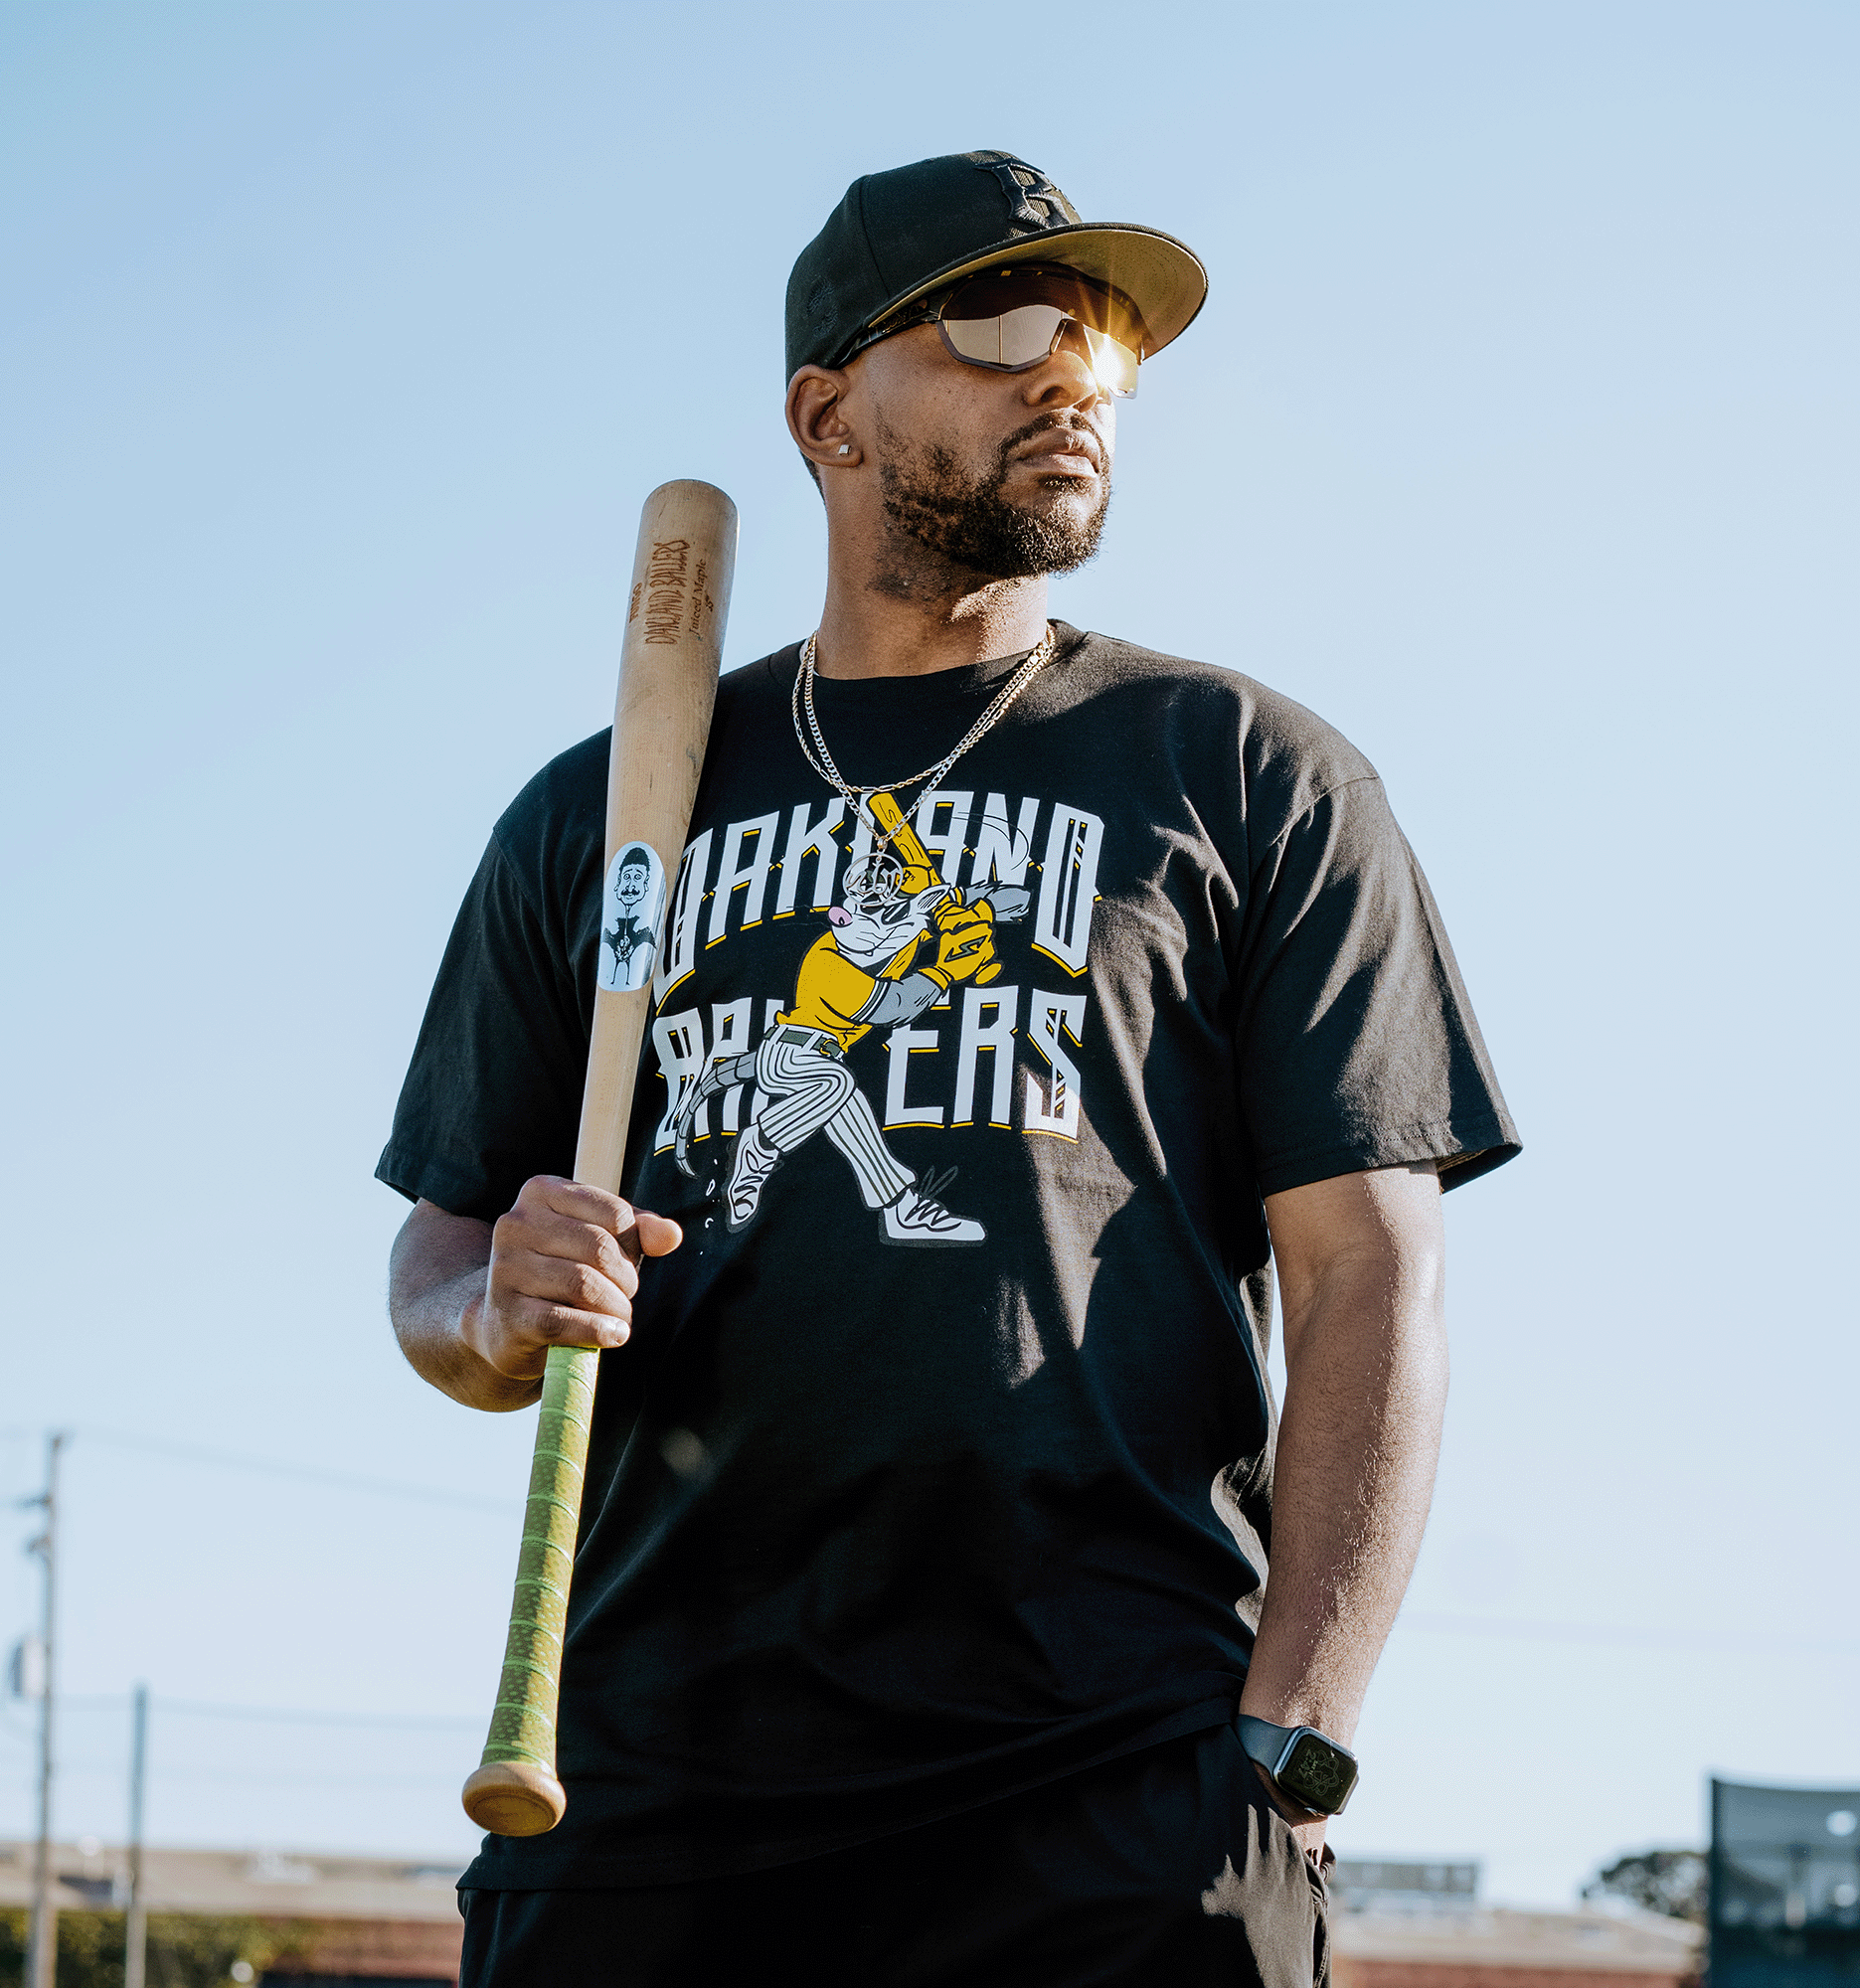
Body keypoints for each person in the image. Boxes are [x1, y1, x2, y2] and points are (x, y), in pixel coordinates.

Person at [380, 149, 1519, 1988]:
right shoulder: (599, 814)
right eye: (1001, 329)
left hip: (1122, 1781)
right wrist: (492, 1313)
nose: (1069, 378)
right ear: (829, 413)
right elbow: (434, 1269)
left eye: (1106, 353)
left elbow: (1372, 1274)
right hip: (651, 1790)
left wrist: (1289, 1743)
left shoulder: (1244, 775)